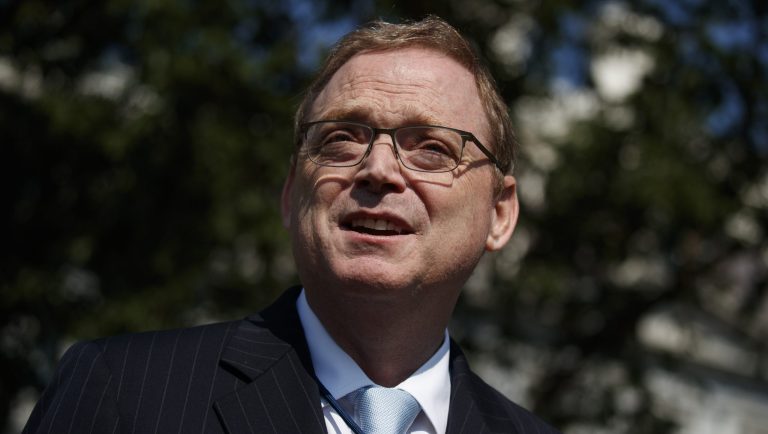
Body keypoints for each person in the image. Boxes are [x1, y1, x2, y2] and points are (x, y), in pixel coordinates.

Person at [24, 16, 561, 434]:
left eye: (432, 148)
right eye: (340, 139)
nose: (377, 169)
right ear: (290, 194)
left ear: (499, 214)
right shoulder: (124, 393)